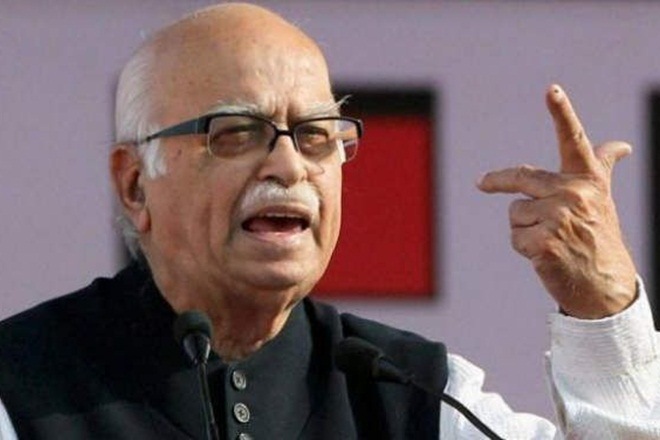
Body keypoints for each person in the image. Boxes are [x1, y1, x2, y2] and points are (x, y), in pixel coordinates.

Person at [0, 3, 658, 439]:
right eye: (236, 132)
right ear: (135, 183)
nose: (289, 165)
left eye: (316, 135)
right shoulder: (21, 387)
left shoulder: (416, 396)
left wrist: (603, 310)